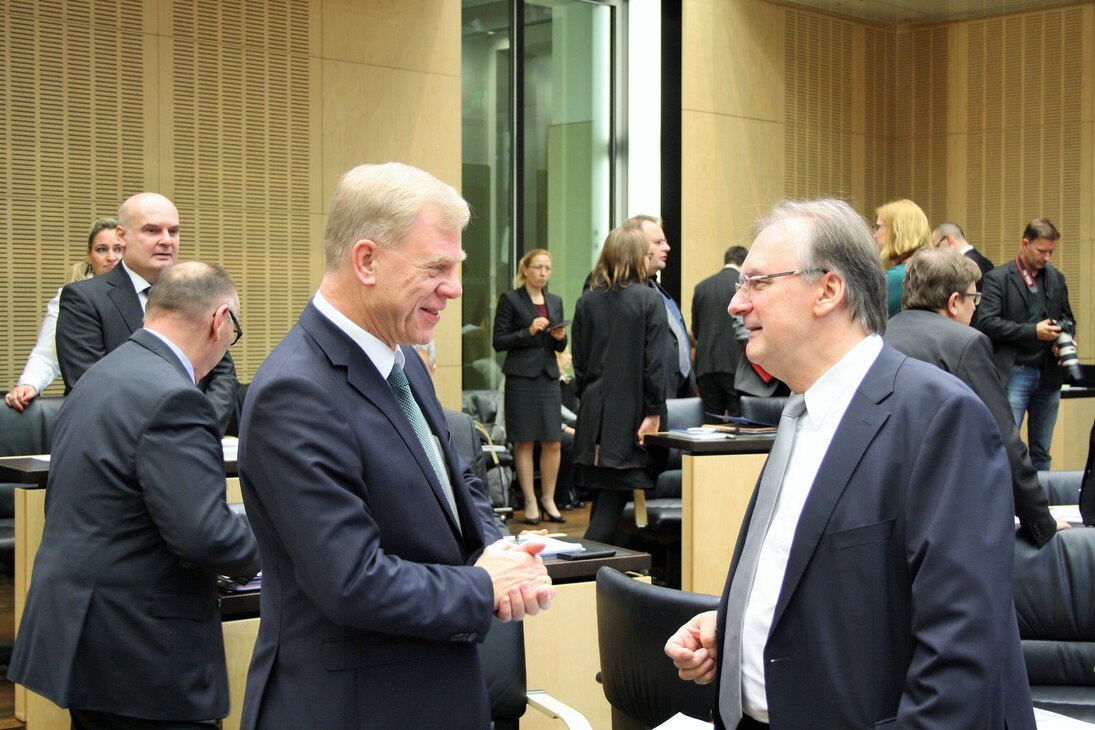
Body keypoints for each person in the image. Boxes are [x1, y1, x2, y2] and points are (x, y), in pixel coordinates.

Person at [664, 198, 1034, 729]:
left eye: (757, 283)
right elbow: (829, 585)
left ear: (828, 290)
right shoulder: (799, 413)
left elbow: (961, 658)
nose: (735, 305)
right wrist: (737, 628)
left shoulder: (939, 418)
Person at [237, 162, 554, 729]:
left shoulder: (403, 358)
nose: (455, 288)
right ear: (366, 261)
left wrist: (502, 552)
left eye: (455, 268)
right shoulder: (297, 391)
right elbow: (351, 579)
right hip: (355, 707)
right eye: (437, 267)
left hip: (436, 689)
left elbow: (458, 480)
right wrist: (483, 585)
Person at [8, 261, 259, 729]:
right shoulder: (176, 397)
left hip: (81, 632)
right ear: (219, 320)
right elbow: (203, 536)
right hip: (141, 651)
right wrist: (273, 542)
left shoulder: (101, 376)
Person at [886, 247, 1065, 546]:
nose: (976, 308)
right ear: (955, 302)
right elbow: (1003, 440)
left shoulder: (879, 337)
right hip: (943, 524)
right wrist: (1041, 524)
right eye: (975, 299)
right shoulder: (965, 343)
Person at [55, 193, 239, 434]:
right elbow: (92, 386)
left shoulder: (200, 293)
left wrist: (199, 427)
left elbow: (222, 375)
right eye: (152, 231)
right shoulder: (84, 299)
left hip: (196, 438)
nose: (166, 241)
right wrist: (169, 433)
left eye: (173, 232)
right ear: (121, 236)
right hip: (123, 446)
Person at [573, 225, 668, 546]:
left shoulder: (587, 301)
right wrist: (654, 413)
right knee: (607, 512)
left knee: (604, 502)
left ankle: (604, 581)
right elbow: (655, 365)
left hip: (594, 423)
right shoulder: (648, 300)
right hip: (631, 422)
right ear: (635, 257)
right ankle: (577, 578)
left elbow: (580, 366)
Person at [976, 217, 1076, 471]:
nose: (1047, 258)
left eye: (1051, 252)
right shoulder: (999, 278)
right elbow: (986, 323)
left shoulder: (1056, 278)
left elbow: (1068, 319)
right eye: (1042, 251)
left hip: (1049, 373)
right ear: (1025, 243)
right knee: (1007, 445)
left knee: (1042, 451)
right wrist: (1033, 332)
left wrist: (1062, 336)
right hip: (1015, 371)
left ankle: (1041, 506)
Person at [5, 218, 123, 412]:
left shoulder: (147, 292)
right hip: (89, 405)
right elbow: (46, 354)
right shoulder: (71, 297)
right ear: (89, 256)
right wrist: (29, 384)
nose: (111, 257)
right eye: (102, 249)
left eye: (118, 249)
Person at [492, 248, 568, 524]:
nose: (543, 273)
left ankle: (549, 497)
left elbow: (560, 344)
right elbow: (499, 341)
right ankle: (530, 499)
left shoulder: (555, 301)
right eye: (538, 267)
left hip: (548, 375)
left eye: (548, 268)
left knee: (553, 441)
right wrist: (529, 331)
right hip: (521, 377)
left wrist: (560, 337)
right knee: (523, 441)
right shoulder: (511, 299)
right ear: (525, 269)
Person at [627, 214, 694, 399]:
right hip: (646, 400)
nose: (667, 247)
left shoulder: (654, 287)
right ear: (635, 245)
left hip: (676, 393)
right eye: (658, 242)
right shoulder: (619, 291)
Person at [692, 245, 748, 417]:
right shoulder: (742, 287)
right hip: (736, 365)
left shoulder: (701, 287)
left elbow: (696, 330)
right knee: (740, 420)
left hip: (705, 366)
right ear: (743, 262)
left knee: (710, 423)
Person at [874, 198, 931, 317]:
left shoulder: (898, 277)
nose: (874, 234)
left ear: (896, 231)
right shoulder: (929, 269)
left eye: (878, 227)